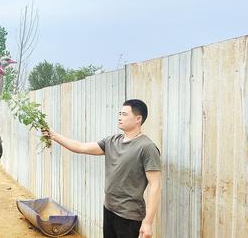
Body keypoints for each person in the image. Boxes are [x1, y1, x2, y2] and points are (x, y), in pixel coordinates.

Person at [42, 99, 161, 238]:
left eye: (124, 114)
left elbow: (155, 185)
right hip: (109, 208)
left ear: (138, 119)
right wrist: (54, 135)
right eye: (119, 113)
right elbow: (81, 147)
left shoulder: (147, 147)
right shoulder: (112, 141)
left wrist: (148, 223)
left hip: (129, 215)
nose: (119, 117)